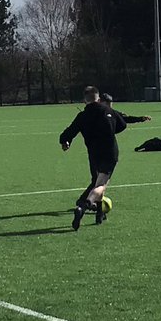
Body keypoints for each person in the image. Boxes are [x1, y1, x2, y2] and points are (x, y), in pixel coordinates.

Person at [60, 86, 126, 230]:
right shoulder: (108, 110)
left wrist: (65, 142)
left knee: (98, 181)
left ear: (85, 100)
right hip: (109, 152)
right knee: (100, 185)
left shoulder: (82, 116)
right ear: (99, 98)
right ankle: (84, 205)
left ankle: (100, 214)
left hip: (94, 155)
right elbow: (122, 125)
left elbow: (67, 133)